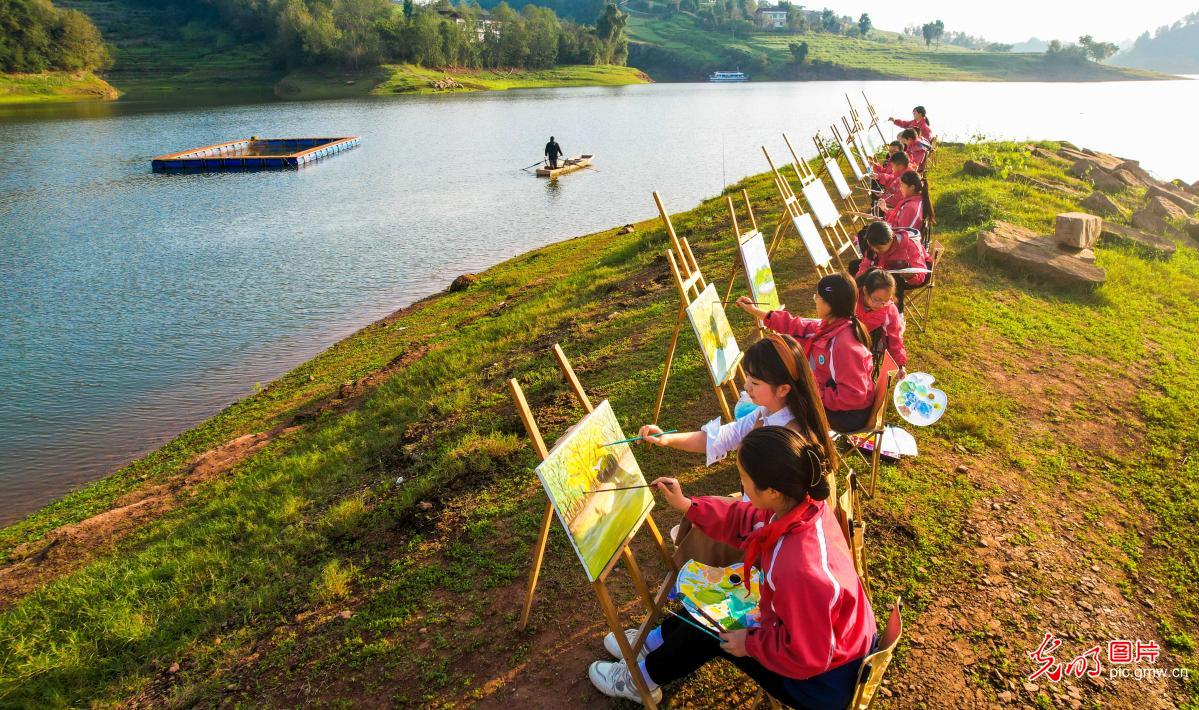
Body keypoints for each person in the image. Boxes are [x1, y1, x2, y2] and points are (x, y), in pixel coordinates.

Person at [588, 427, 876, 708]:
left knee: (710, 629)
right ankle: (654, 642)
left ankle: (640, 681)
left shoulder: (801, 569)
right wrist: (688, 505)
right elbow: (745, 517)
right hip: (829, 640)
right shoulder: (802, 502)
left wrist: (750, 644)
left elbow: (808, 655)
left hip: (820, 683)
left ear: (773, 491)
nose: (741, 486)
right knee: (719, 597)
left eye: (743, 479)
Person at [636, 335, 839, 566]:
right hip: (757, 514)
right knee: (702, 516)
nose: (746, 386)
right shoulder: (767, 412)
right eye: (748, 378)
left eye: (755, 382)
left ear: (783, 389)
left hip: (768, 535)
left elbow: (781, 514)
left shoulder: (790, 438)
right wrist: (667, 438)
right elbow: (722, 436)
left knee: (704, 531)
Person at [737, 274, 874, 433]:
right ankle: (764, 436)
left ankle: (783, 445)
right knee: (783, 396)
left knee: (783, 402)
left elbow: (853, 395)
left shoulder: (845, 345)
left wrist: (812, 394)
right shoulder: (831, 325)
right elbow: (794, 325)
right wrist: (755, 311)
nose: (815, 300)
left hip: (848, 416)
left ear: (830, 304)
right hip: (838, 403)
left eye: (818, 297)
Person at [851, 222, 928, 313]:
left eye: (879, 248)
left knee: (892, 279)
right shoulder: (873, 246)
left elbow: (921, 276)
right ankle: (862, 304)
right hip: (885, 270)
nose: (875, 250)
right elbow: (865, 265)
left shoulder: (910, 245)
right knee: (854, 266)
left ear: (891, 239)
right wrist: (856, 283)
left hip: (913, 277)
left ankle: (897, 313)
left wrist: (910, 276)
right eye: (872, 247)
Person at [856, 269, 907, 373]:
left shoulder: (889, 309)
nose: (881, 305)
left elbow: (895, 339)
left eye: (886, 300)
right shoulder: (852, 299)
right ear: (865, 290)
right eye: (877, 299)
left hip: (869, 344)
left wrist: (900, 365)